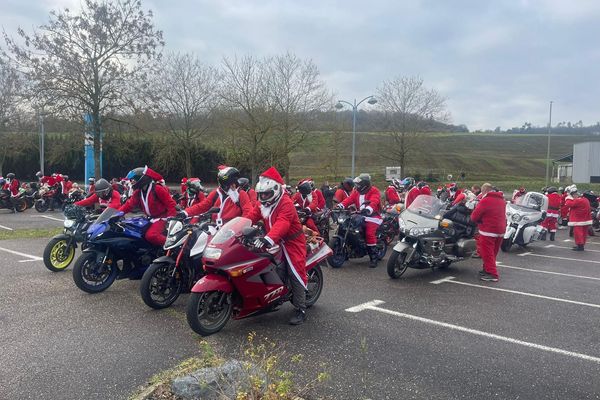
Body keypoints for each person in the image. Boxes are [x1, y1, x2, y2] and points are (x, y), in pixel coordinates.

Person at [246, 166, 308, 325]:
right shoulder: (263, 204)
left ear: (275, 190)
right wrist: (237, 227)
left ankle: (301, 309)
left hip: (292, 242)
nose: (263, 197)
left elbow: (283, 223)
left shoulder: (286, 203)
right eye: (260, 194)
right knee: (254, 260)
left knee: (295, 271)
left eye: (266, 194)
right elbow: (251, 215)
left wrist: (268, 238)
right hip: (273, 239)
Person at [119, 166, 177, 247]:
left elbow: (171, 204)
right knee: (135, 232)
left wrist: (171, 220)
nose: (132, 182)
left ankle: (173, 245)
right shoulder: (138, 192)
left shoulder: (157, 189)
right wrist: (116, 214)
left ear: (142, 179)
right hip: (150, 218)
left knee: (151, 235)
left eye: (133, 179)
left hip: (162, 218)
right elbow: (128, 205)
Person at [179, 166, 252, 226]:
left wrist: (240, 226)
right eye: (222, 185)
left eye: (226, 185)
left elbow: (248, 213)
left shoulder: (241, 194)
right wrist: (185, 213)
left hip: (231, 230)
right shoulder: (216, 193)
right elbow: (202, 206)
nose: (223, 188)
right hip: (214, 228)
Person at [337, 173, 382, 268]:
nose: (356, 186)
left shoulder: (374, 190)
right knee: (346, 227)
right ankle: (345, 251)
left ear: (364, 184)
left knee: (369, 233)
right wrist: (340, 205)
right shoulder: (356, 191)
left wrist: (369, 209)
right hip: (359, 214)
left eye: (358, 184)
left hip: (372, 216)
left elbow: (375, 201)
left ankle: (373, 257)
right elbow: (349, 199)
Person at [470, 183, 506, 282]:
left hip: (488, 230)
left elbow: (474, 217)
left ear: (484, 191)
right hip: (501, 230)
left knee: (486, 252)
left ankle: (493, 274)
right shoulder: (502, 200)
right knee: (493, 252)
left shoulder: (485, 200)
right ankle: (487, 269)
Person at [565, 186, 592, 251]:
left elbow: (568, 204)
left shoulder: (578, 200)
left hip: (578, 220)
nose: (573, 196)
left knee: (578, 233)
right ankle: (581, 245)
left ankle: (580, 246)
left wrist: (568, 197)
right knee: (583, 233)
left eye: (573, 195)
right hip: (585, 219)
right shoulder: (585, 199)